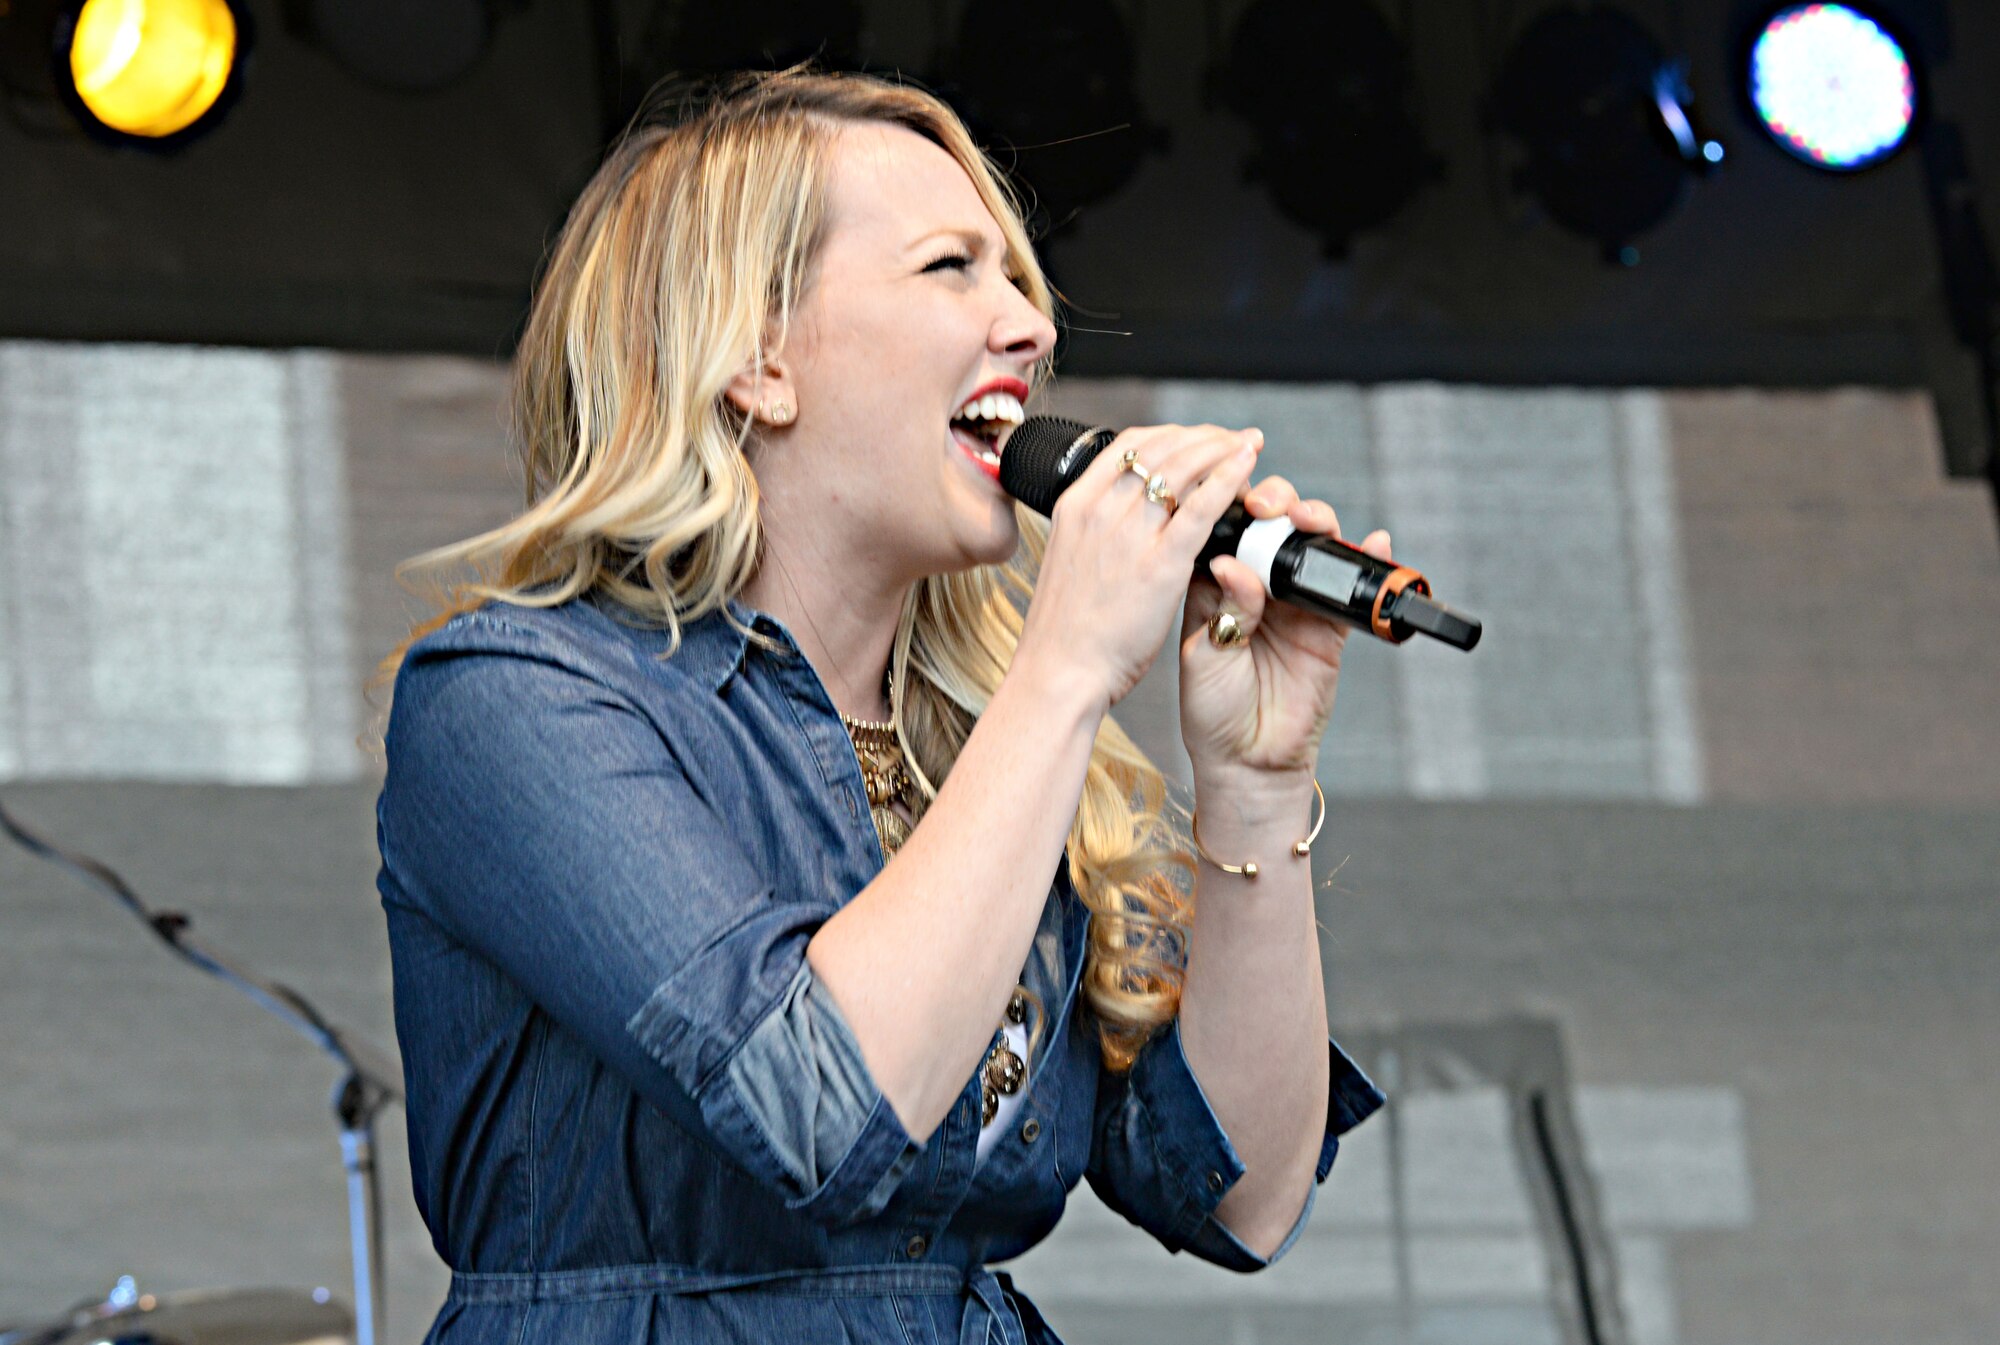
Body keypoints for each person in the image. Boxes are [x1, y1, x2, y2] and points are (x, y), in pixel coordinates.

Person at [373, 68, 1385, 1345]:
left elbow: (1237, 1188)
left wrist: (1255, 775)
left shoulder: (986, 747)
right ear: (755, 359)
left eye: (1017, 277)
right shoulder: (516, 702)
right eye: (950, 269)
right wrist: (1065, 669)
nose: (1027, 325)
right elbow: (817, 1104)